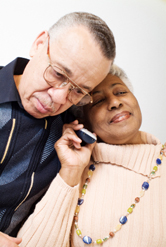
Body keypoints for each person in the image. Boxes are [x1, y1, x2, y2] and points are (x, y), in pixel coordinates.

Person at [17, 64, 166, 246]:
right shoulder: (76, 172)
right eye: (98, 101)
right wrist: (71, 171)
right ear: (84, 121)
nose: (114, 103)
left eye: (120, 92)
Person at [0, 12, 115, 246]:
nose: (59, 97)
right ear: (39, 44)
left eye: (79, 91)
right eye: (58, 73)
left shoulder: (71, 132)